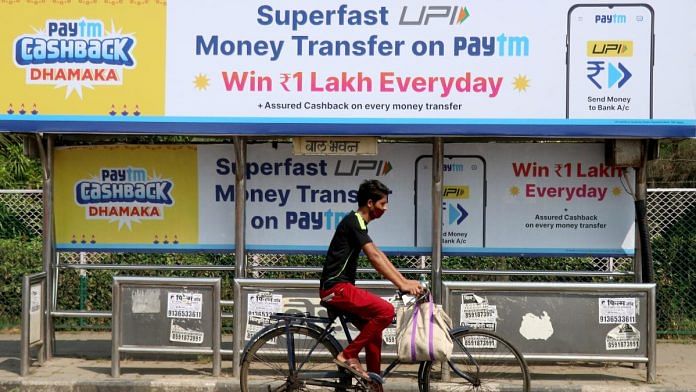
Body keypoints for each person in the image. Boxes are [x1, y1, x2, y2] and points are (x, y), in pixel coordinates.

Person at [319, 179, 423, 380]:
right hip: (335, 288)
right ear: (369, 203)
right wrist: (402, 284)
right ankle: (347, 354)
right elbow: (374, 258)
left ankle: (375, 386)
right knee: (386, 311)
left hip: (341, 287)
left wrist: (405, 281)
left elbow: (378, 254)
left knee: (374, 332)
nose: (386, 208)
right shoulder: (354, 221)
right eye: (382, 203)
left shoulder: (359, 223)